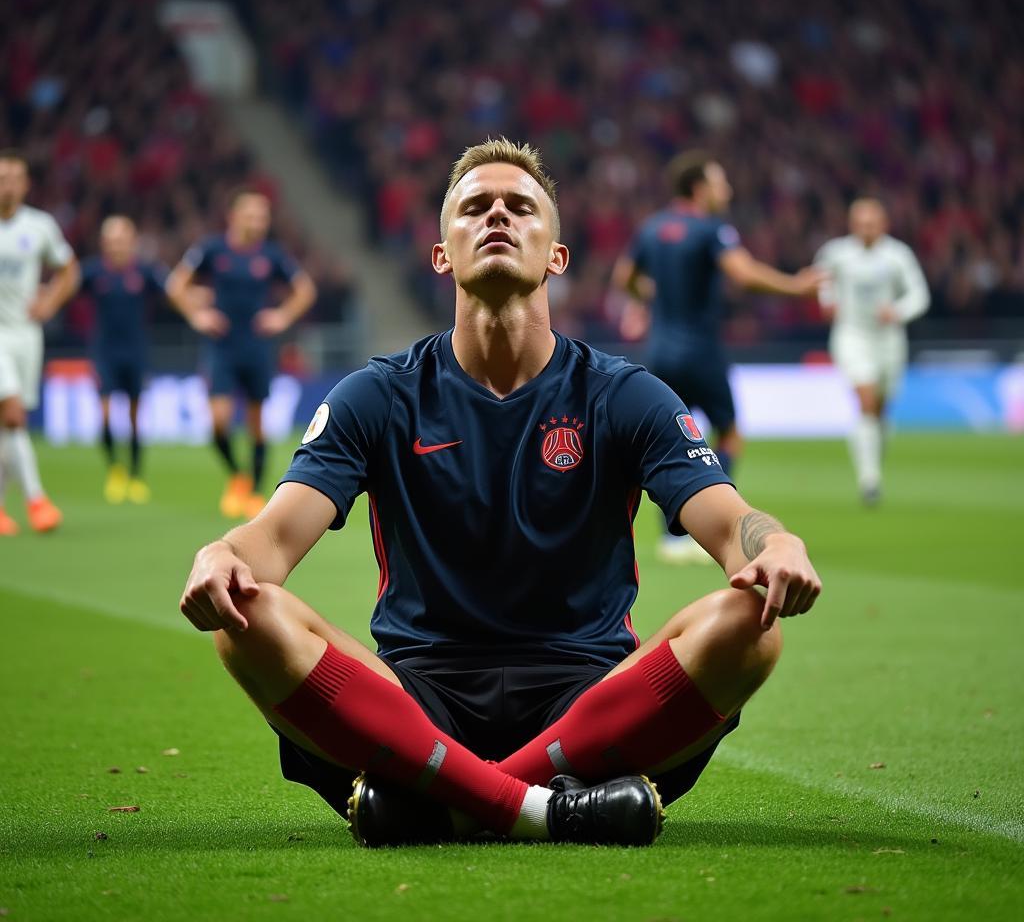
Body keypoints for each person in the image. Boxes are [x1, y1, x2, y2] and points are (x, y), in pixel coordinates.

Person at [179, 139, 823, 848]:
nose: (497, 218)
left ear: (557, 256)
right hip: (418, 697)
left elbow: (733, 525)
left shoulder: (624, 394)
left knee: (751, 627)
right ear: (441, 254)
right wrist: (222, 554)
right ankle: (549, 810)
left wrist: (777, 542)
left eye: (520, 208)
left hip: (588, 698)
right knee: (244, 617)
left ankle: (451, 802)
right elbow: (268, 541)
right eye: (474, 208)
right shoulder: (378, 395)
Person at [613, 151, 822, 564]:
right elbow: (744, 275)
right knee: (728, 436)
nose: (725, 190)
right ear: (699, 188)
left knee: (667, 443)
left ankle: (671, 539)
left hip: (658, 352)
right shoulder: (712, 229)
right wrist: (797, 289)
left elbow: (624, 278)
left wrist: (648, 302)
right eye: (719, 182)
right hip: (701, 352)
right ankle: (712, 528)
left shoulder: (652, 228)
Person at [167, 189, 316, 520]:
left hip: (257, 347)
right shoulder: (211, 249)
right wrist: (197, 315)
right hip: (221, 346)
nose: (258, 222)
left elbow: (305, 290)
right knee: (218, 422)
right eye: (251, 215)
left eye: (263, 216)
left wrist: (282, 317)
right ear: (233, 216)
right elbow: (176, 285)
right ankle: (238, 475)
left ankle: (253, 492)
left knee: (257, 425)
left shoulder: (272, 255)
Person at [814, 198, 930, 505]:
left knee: (881, 410)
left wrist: (898, 311)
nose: (866, 230)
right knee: (865, 402)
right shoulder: (837, 253)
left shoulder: (897, 255)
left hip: (889, 340)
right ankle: (870, 480)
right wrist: (827, 300)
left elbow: (920, 294)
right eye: (861, 224)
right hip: (852, 335)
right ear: (852, 225)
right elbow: (820, 278)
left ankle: (873, 464)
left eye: (872, 224)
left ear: (883, 225)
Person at [0, 149, 80, 536]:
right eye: (1, 177)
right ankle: (37, 499)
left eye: (14, 177)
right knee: (13, 416)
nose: (7, 184)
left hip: (25, 335)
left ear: (25, 183)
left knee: (9, 426)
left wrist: (49, 302)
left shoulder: (39, 226)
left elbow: (69, 269)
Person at [78, 215, 168, 504]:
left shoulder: (144, 272)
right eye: (112, 240)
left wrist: (196, 305)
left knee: (133, 417)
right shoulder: (93, 272)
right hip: (104, 353)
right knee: (104, 415)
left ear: (132, 242)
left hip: (136, 352)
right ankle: (115, 470)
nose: (117, 245)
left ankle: (136, 475)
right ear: (104, 243)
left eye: (123, 239)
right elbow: (66, 288)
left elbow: (173, 291)